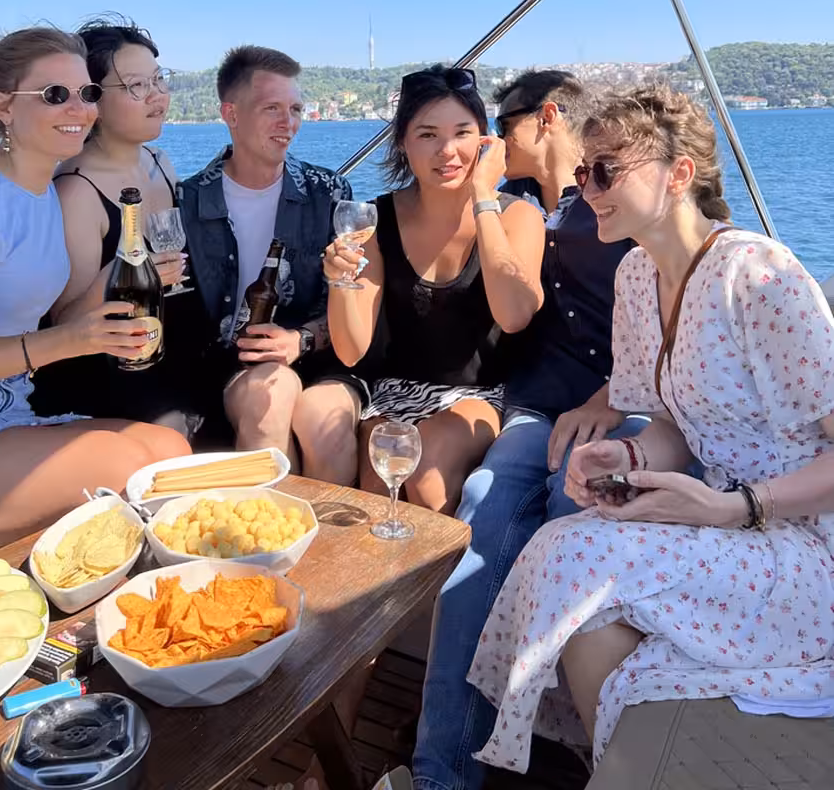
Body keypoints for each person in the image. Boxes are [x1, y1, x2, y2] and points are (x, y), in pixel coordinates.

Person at [468, 84, 834, 774]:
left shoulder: (757, 275)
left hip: (809, 545)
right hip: (727, 523)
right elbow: (674, 424)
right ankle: (623, 766)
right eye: (582, 171)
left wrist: (734, 507)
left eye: (606, 169)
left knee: (567, 552)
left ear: (679, 175)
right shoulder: (638, 276)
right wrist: (625, 451)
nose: (588, 187)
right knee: (566, 553)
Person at [412, 69, 644, 790]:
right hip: (537, 408)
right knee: (481, 511)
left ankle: (586, 752)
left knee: (574, 511)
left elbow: (675, 317)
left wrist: (611, 394)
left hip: (623, 408)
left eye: (497, 126)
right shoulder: (518, 209)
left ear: (544, 117)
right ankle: (441, 772)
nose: (485, 140)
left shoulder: (620, 199)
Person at [0, 27, 190, 552]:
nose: (79, 108)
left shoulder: (41, 187)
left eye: (87, 93)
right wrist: (74, 340)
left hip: (9, 409)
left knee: (171, 446)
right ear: (4, 105)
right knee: (146, 472)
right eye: (55, 95)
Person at [323, 65, 545, 515]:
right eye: (427, 135)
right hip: (394, 392)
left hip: (483, 393)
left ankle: (444, 584)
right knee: (377, 482)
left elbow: (515, 313)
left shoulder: (517, 216)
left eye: (462, 133)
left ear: (486, 141)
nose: (448, 151)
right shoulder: (378, 218)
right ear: (403, 143)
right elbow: (351, 350)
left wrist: (484, 196)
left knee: (426, 471)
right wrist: (340, 281)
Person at [179, 45, 361, 483]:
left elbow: (350, 298)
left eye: (296, 108)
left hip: (318, 355)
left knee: (325, 423)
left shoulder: (329, 192)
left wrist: (300, 340)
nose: (289, 123)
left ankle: (332, 548)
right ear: (231, 113)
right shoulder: (187, 202)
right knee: (272, 393)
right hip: (229, 365)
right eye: (272, 108)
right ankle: (271, 543)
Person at [29, 17, 201, 434]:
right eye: (136, 86)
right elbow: (66, 323)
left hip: (174, 345)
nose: (157, 96)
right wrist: (124, 275)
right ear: (95, 102)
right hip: (113, 371)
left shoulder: (160, 161)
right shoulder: (77, 191)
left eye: (159, 80)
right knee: (173, 423)